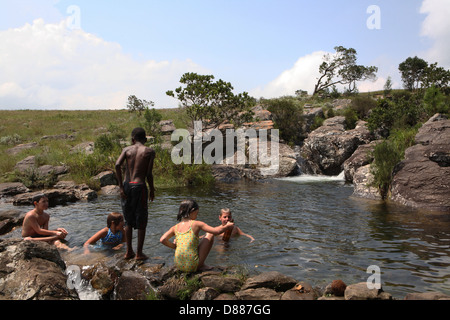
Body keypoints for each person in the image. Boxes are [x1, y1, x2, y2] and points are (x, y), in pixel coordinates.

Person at [160, 199, 234, 273]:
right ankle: (201, 265)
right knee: (209, 234)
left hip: (179, 265)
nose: (197, 215)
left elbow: (162, 239)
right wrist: (227, 226)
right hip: (192, 266)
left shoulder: (175, 227)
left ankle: (196, 264)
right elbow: (216, 231)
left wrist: (175, 246)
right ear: (193, 211)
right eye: (197, 213)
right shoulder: (196, 224)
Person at [115, 127, 155, 260]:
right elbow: (148, 174)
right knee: (141, 220)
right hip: (140, 186)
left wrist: (121, 187)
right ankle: (139, 253)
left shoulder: (126, 150)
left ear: (133, 140)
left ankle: (128, 252)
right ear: (145, 139)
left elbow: (117, 165)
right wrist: (152, 189)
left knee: (128, 220)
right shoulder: (149, 151)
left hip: (127, 185)